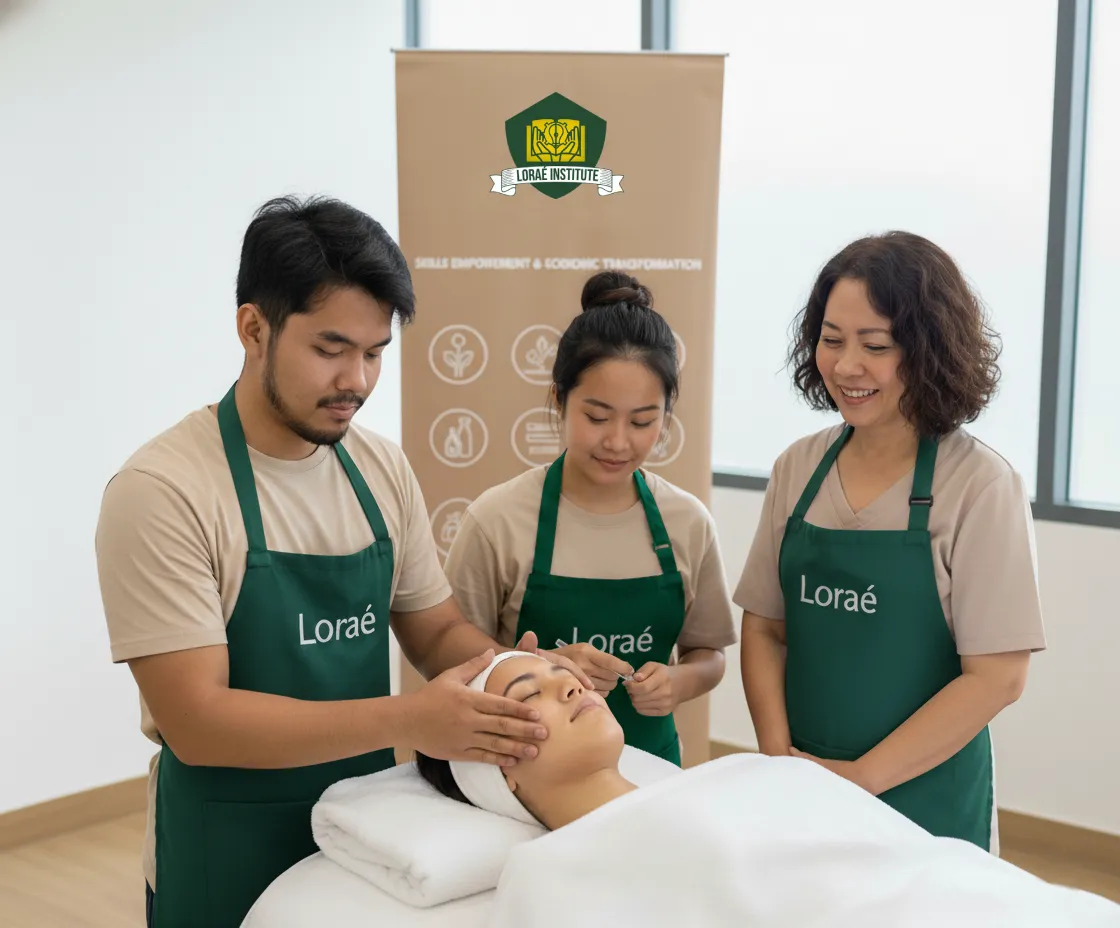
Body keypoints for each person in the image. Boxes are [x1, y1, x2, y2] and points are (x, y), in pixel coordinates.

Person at [93, 195, 590, 928]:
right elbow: (198, 721)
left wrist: (514, 679)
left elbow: (434, 630)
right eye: (330, 349)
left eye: (375, 352)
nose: (356, 380)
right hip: (223, 845)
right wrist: (411, 719)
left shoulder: (380, 470)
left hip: (365, 839)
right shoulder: (163, 492)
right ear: (252, 328)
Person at [734, 231, 1047, 853]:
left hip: (925, 801)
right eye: (830, 340)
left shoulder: (979, 484)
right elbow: (764, 627)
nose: (847, 366)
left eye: (875, 346)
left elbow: (998, 678)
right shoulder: (798, 467)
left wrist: (860, 781)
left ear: (929, 352)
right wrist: (778, 759)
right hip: (802, 782)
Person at [412, 653, 1118, 928]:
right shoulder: (549, 876)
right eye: (526, 690)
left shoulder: (748, 772)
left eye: (559, 671)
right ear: (498, 768)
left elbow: (904, 864)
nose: (569, 681)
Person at [442, 271, 737, 766]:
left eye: (643, 421)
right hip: (524, 776)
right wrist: (538, 666)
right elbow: (451, 658)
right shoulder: (498, 519)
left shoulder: (687, 521)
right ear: (559, 399)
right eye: (597, 417)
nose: (619, 441)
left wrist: (679, 682)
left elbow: (709, 656)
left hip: (651, 771)